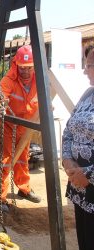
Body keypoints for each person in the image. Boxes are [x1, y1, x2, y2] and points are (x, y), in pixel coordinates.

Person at [0, 45, 41, 213]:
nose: (25, 72)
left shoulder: (39, 81)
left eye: (29, 68)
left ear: (34, 66)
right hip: (7, 127)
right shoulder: (9, 80)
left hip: (25, 128)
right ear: (16, 65)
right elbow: (0, 96)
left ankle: (24, 188)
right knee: (3, 162)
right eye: (22, 68)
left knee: (22, 159)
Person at [62, 47, 94, 250]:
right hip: (79, 186)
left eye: (89, 65)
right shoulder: (88, 93)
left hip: (89, 182)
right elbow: (69, 129)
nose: (85, 71)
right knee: (85, 239)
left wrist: (89, 176)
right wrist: (67, 160)